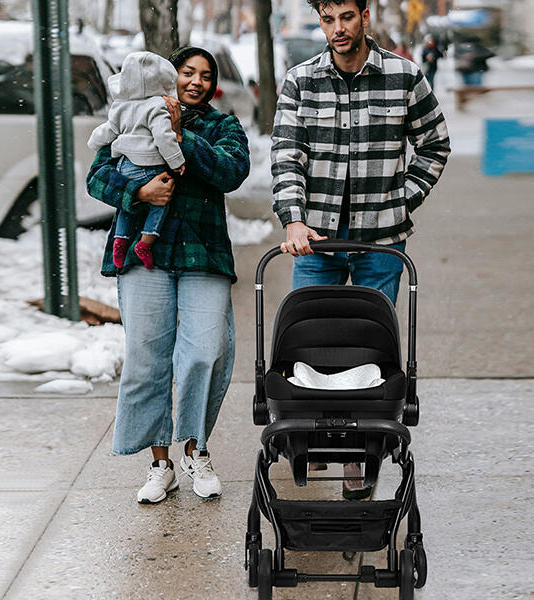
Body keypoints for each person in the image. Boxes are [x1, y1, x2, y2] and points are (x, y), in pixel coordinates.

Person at [271, 0, 450, 499]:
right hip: (317, 242)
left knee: (370, 352)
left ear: (364, 16)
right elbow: (286, 154)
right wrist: (295, 219)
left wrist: (401, 200)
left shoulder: (404, 76)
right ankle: (308, 441)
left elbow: (435, 145)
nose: (337, 29)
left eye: (345, 18)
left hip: (380, 244)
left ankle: (360, 453)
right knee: (308, 347)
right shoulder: (300, 81)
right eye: (327, 20)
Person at [86, 46, 250, 504]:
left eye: (204, 75)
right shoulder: (132, 113)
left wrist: (180, 135)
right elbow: (97, 176)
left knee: (203, 353)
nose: (196, 81)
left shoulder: (221, 125)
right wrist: (139, 190)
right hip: (145, 256)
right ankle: (161, 465)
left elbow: (231, 171)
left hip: (204, 255)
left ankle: (196, 450)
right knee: (147, 360)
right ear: (169, 75)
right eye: (186, 72)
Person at [88, 51, 186, 270]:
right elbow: (163, 136)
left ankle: (120, 240)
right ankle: (145, 242)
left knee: (126, 207)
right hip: (149, 166)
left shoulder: (120, 106)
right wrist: (176, 161)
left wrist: (94, 141)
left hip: (124, 166)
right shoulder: (157, 106)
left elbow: (108, 130)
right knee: (161, 203)